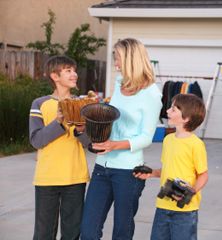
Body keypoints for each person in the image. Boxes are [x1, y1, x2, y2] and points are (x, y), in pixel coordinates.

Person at [80, 38, 162, 239]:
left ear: (131, 59)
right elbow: (113, 119)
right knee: (88, 231)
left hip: (128, 172)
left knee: (121, 232)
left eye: (118, 58)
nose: (115, 63)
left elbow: (146, 137)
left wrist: (115, 145)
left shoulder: (151, 93)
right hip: (102, 167)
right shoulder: (118, 84)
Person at [29, 55, 90, 239]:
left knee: (72, 233)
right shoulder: (40, 103)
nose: (75, 74)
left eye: (74, 70)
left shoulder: (83, 104)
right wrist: (60, 122)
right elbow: (37, 140)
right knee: (43, 233)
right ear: (55, 76)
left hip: (75, 176)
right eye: (68, 71)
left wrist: (80, 129)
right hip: (47, 178)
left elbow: (89, 143)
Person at [136, 93, 209, 240]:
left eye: (173, 109)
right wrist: (151, 173)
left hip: (185, 211)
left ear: (186, 118)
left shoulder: (196, 144)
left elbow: (203, 175)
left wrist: (191, 191)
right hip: (163, 206)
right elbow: (169, 169)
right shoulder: (168, 140)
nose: (168, 111)